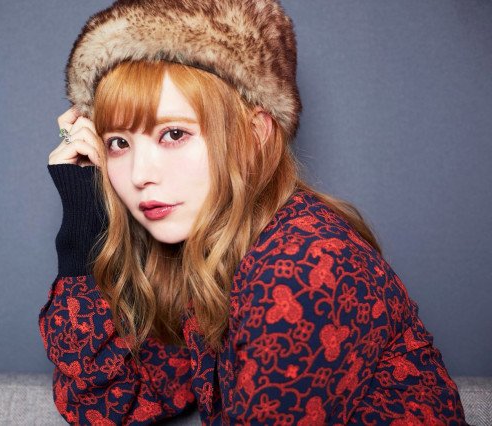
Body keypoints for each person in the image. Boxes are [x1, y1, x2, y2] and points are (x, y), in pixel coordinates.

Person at [39, 0, 466, 424]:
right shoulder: (212, 260)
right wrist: (83, 219)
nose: (139, 175)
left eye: (173, 134)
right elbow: (107, 406)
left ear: (256, 134)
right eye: (118, 143)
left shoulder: (304, 264)